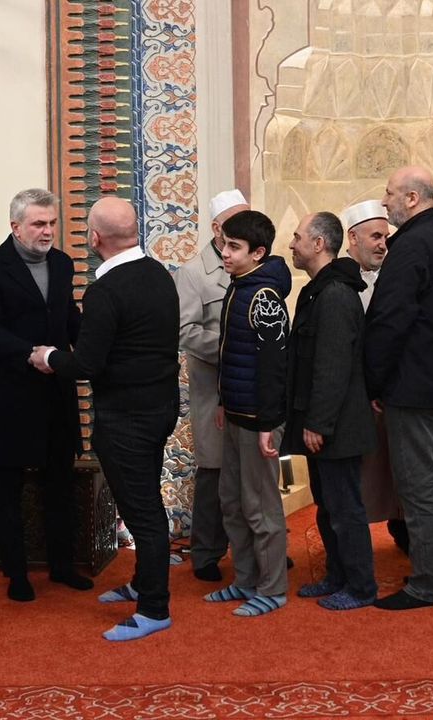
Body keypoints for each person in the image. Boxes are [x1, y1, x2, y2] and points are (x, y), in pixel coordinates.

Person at [33, 196, 180, 641]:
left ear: (94, 237)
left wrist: (48, 356)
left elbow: (87, 364)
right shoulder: (160, 275)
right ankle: (142, 584)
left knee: (143, 514)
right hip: (160, 409)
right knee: (145, 504)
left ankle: (154, 609)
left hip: (126, 419)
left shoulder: (106, 290)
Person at [0, 188, 91, 602]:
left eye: (52, 223)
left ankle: (62, 567)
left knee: (60, 483)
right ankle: (17, 574)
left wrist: (91, 349)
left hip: (56, 393)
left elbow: (67, 318)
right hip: (10, 396)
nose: (48, 231)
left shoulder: (62, 263)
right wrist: (31, 354)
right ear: (16, 227)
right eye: (39, 224)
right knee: (8, 489)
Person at [364, 166, 433, 610]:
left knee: (420, 488)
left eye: (389, 194)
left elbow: (389, 321)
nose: (384, 201)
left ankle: (426, 584)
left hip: (412, 386)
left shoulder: (410, 246)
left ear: (411, 198)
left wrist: (375, 380)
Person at [285, 211, 378, 610]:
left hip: (338, 425)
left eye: (297, 237)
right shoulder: (320, 290)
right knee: (329, 506)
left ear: (319, 244)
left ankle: (361, 587)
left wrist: (318, 423)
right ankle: (337, 576)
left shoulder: (336, 294)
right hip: (326, 423)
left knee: (345, 509)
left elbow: (332, 366)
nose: (292, 244)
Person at [204, 209, 292, 617]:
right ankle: (245, 579)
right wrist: (225, 401)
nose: (225, 253)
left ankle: (272, 588)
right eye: (224, 244)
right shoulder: (239, 285)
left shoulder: (264, 296)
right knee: (233, 502)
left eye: (234, 247)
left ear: (258, 253)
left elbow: (273, 368)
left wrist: (268, 424)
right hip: (237, 413)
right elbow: (233, 355)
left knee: (260, 507)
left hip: (260, 420)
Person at [174, 188, 245, 582]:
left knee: (253, 473)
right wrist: (235, 348)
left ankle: (257, 549)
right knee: (214, 474)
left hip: (251, 390)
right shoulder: (193, 273)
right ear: (217, 229)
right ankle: (205, 553)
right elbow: (185, 331)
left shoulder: (257, 264)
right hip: (213, 390)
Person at [339, 199, 403, 551]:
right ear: (353, 238)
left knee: (399, 472)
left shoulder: (397, 276)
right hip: (355, 400)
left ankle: (403, 530)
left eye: (386, 237)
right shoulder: (337, 281)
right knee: (360, 480)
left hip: (392, 395)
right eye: (375, 237)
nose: (383, 244)